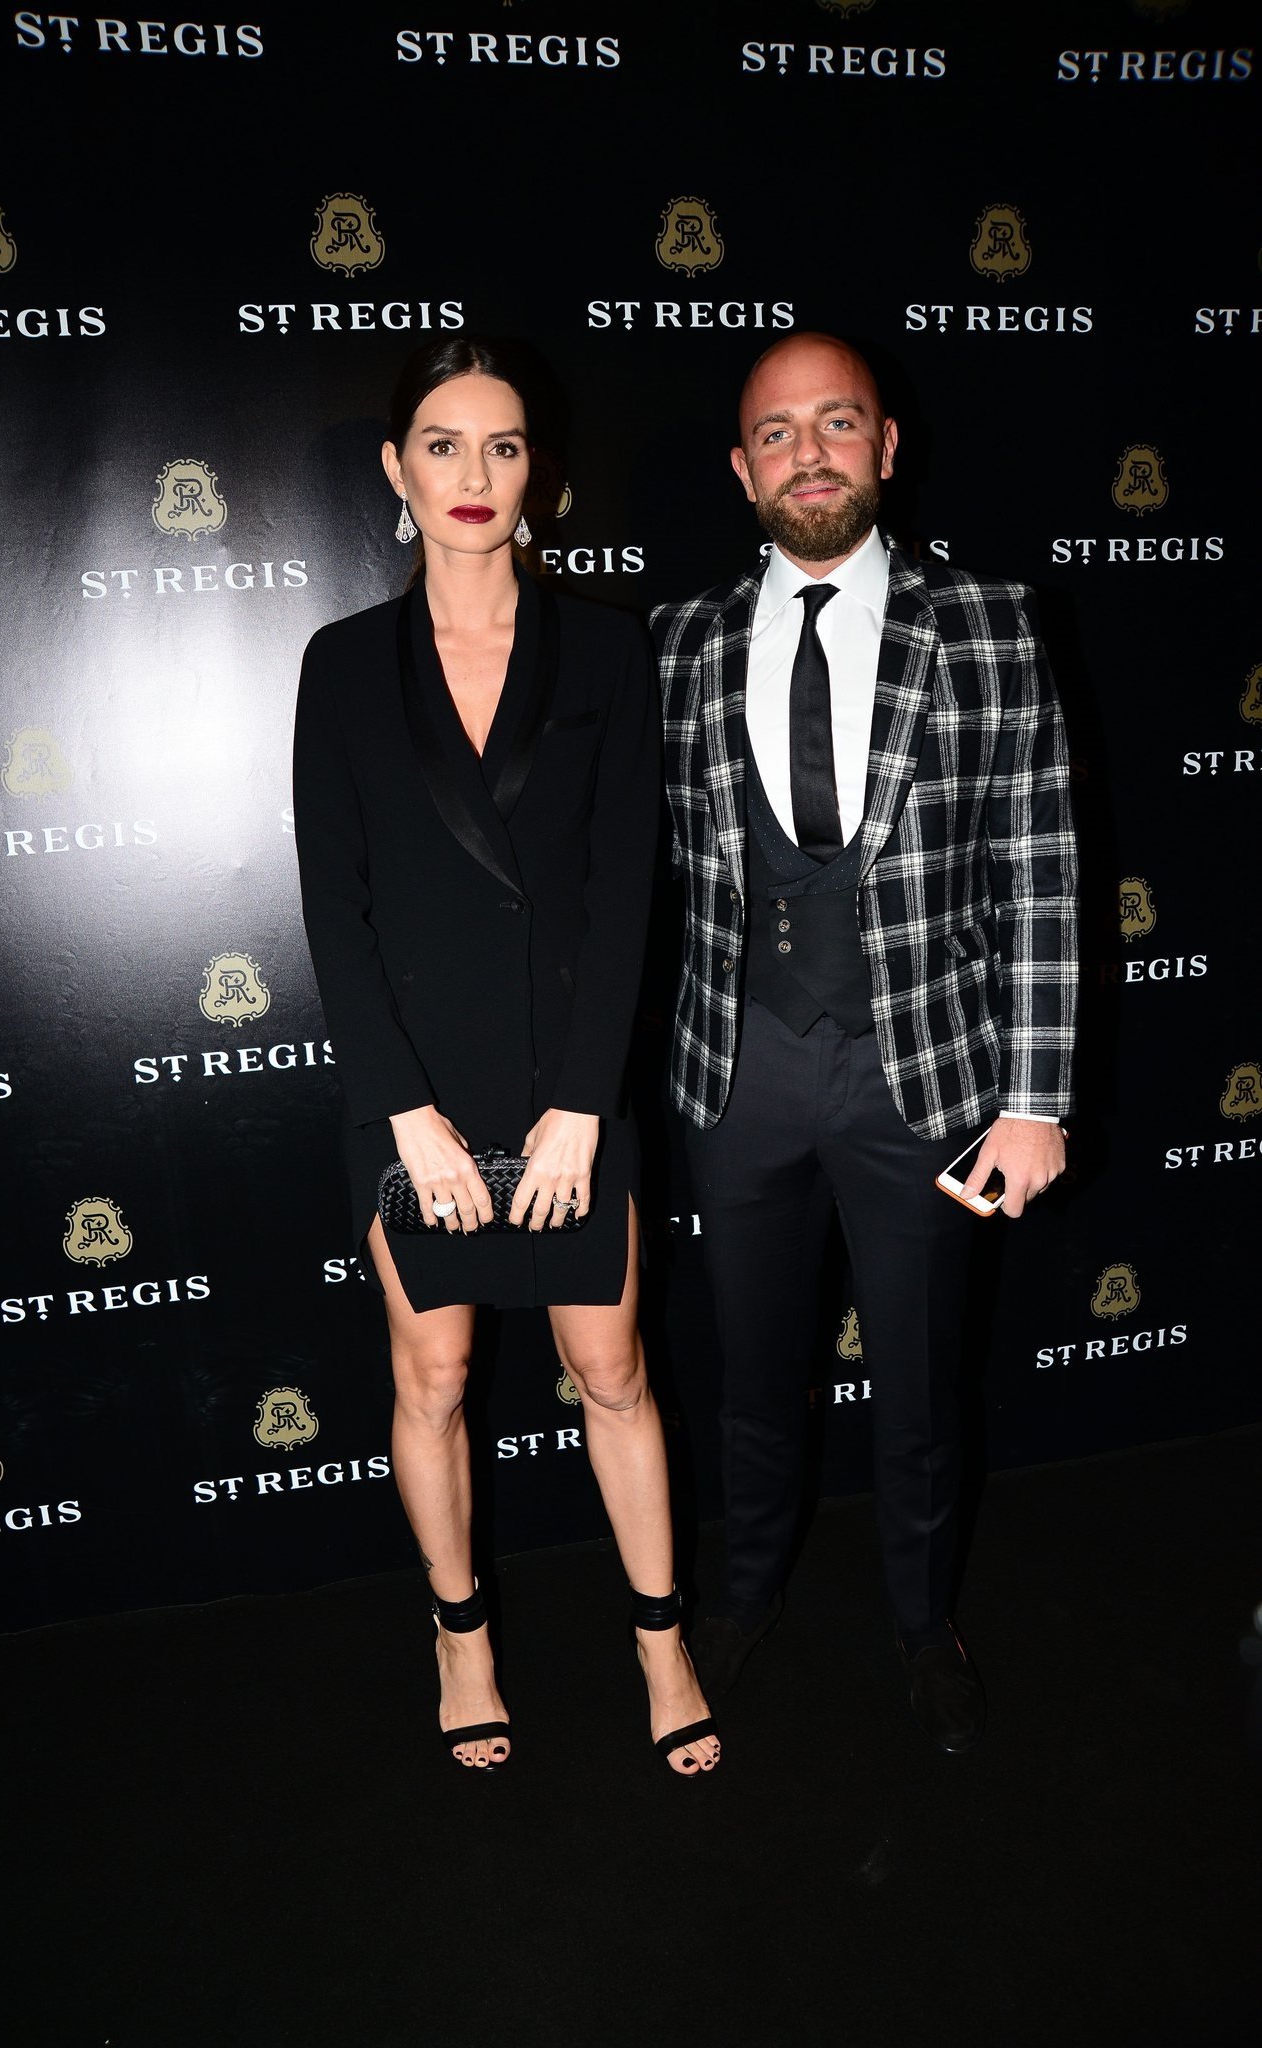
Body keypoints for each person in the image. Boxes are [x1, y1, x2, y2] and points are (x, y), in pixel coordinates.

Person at [292, 336, 719, 1774]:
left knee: (613, 1369)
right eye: (442, 444)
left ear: (539, 472)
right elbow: (334, 905)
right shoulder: (342, 666)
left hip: (568, 1085)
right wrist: (400, 1111)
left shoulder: (604, 649)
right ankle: (460, 1635)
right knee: (434, 1375)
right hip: (413, 1087)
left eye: (504, 445)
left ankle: (660, 1639)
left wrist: (583, 1106)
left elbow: (624, 889)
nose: (473, 474)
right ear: (395, 469)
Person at [652, 332, 1077, 1753]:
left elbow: (1039, 869)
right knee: (749, 1374)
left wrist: (1035, 1099)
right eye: (777, 433)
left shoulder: (991, 623)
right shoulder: (677, 641)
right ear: (741, 468)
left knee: (919, 1384)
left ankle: (922, 1622)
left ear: (886, 445)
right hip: (736, 1073)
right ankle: (745, 1592)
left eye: (837, 423)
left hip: (929, 1077)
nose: (809, 454)